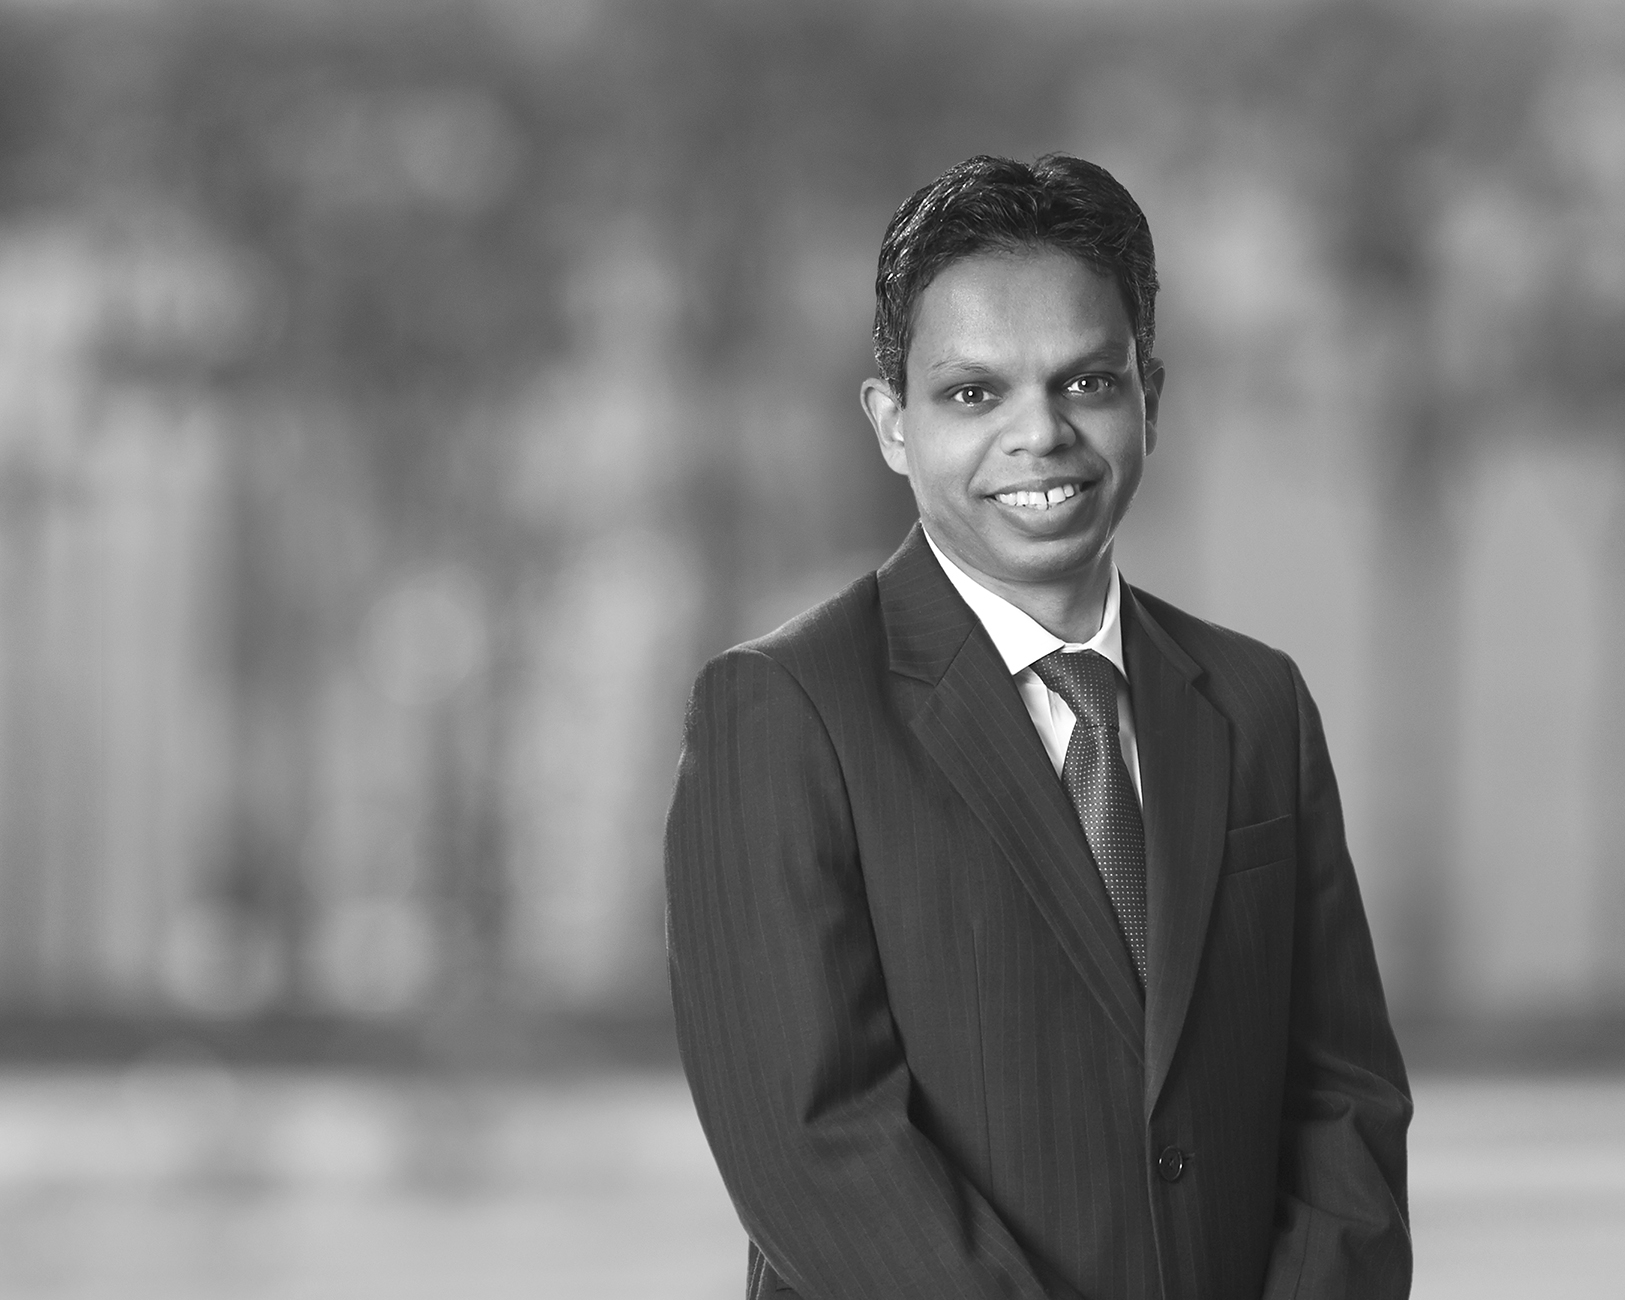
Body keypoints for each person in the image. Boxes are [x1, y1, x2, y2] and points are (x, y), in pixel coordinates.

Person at [665, 153, 1411, 1300]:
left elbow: (1340, 1102)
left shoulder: (1255, 704)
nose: (1040, 434)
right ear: (891, 423)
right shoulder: (781, 711)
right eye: (973, 394)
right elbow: (812, 1143)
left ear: (1147, 396)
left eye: (1086, 381)